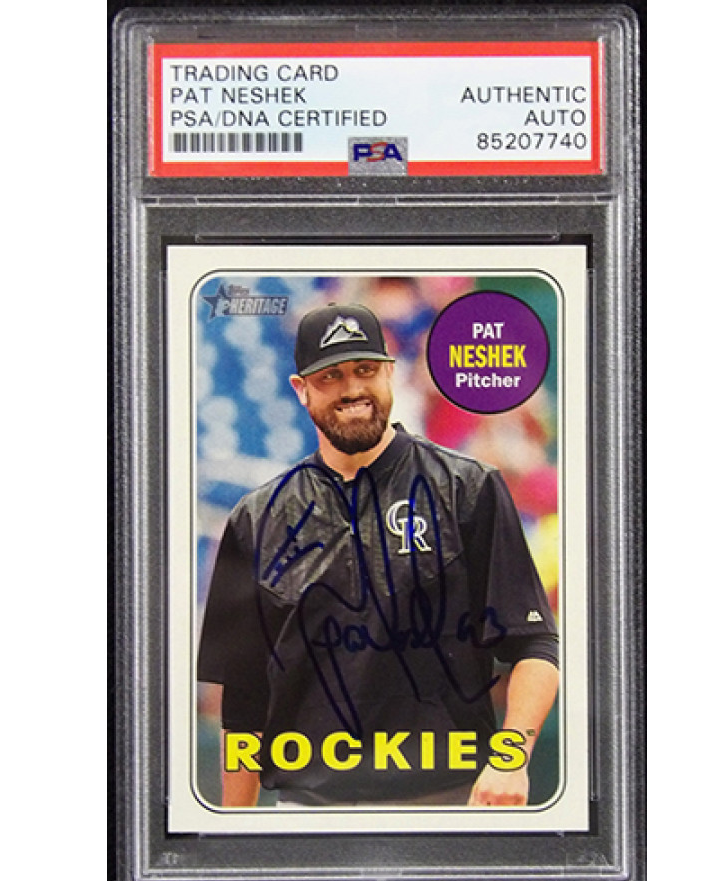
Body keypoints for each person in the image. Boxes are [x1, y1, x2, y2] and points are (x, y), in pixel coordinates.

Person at [197, 302, 560, 807]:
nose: (352, 389)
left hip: (448, 801)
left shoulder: (468, 488)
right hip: (310, 811)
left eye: (366, 370)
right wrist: (235, 828)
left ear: (389, 374)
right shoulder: (257, 518)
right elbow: (244, 702)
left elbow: (535, 645)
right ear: (301, 389)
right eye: (331, 376)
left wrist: (510, 761)